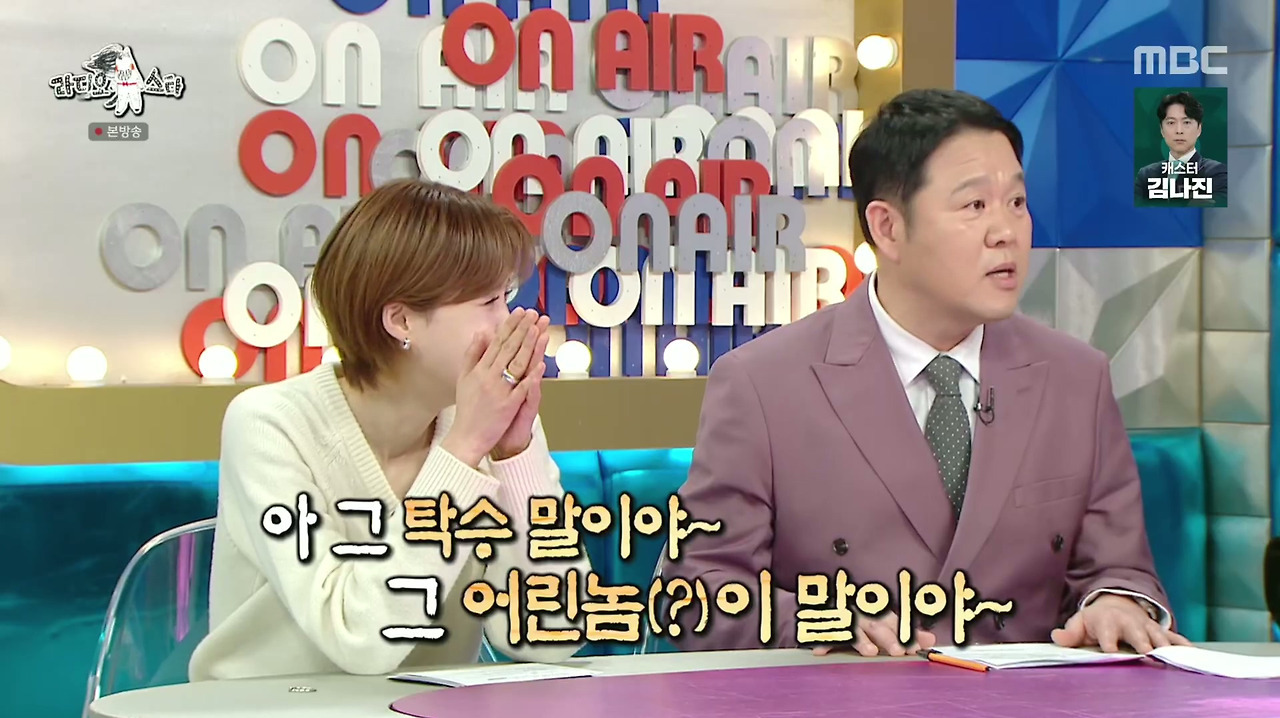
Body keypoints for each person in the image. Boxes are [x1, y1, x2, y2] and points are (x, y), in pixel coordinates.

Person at [665, 89, 1189, 657]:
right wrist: (813, 622)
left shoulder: (1075, 378)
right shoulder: (763, 385)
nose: (1007, 231)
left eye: (1016, 202)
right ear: (888, 228)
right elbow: (697, 594)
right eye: (974, 206)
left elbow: (1118, 568)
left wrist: (1115, 603)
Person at [189, 179, 590, 680]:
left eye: (505, 297)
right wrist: (463, 450)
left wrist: (515, 457)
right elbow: (359, 640)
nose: (509, 322)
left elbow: (552, 633)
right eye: (489, 301)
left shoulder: (488, 421)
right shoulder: (270, 424)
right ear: (402, 321)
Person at [1133, 90, 1227, 206]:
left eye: (1186, 122)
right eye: (1171, 123)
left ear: (1199, 129)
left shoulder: (1216, 171)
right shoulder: (1145, 174)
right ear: (1161, 130)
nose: (1179, 131)